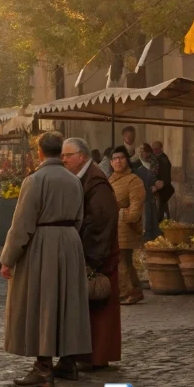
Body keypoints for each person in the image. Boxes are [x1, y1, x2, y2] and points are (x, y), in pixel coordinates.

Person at [1, 132, 91, 387]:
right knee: (67, 301)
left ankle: (43, 368)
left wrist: (8, 258)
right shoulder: (74, 180)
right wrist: (68, 238)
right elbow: (80, 217)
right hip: (70, 242)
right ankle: (68, 362)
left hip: (43, 243)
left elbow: (22, 223)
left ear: (39, 152)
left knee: (44, 302)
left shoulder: (35, 180)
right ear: (59, 152)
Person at [62, 137, 121, 371]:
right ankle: (88, 355)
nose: (64, 159)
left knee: (100, 306)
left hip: (99, 254)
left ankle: (98, 356)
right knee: (90, 308)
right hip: (91, 251)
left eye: (68, 155)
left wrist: (92, 258)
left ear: (82, 156)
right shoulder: (83, 178)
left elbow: (101, 221)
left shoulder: (96, 182)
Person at [109, 146, 145, 305]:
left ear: (127, 160)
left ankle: (127, 292)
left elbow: (136, 207)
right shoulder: (111, 179)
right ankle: (135, 289)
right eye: (115, 159)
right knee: (124, 261)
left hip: (126, 227)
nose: (118, 161)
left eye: (121, 158)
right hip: (113, 226)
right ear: (111, 162)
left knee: (122, 260)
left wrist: (122, 214)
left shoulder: (134, 181)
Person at [133, 149, 160, 243]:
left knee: (152, 215)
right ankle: (146, 236)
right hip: (143, 194)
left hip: (151, 195)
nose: (144, 153)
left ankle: (152, 235)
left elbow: (155, 179)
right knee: (145, 216)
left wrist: (156, 186)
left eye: (145, 151)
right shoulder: (136, 165)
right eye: (141, 151)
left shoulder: (153, 165)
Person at [152, 141, 174, 223]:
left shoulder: (163, 160)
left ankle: (163, 223)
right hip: (159, 186)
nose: (154, 151)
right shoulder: (155, 158)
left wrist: (160, 183)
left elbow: (165, 176)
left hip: (163, 187)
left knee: (161, 207)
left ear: (161, 149)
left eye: (156, 149)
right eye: (153, 149)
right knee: (161, 207)